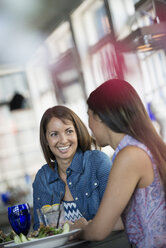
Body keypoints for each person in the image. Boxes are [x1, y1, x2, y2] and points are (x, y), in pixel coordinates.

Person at [72, 79, 166, 248]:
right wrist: (88, 225)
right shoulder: (139, 148)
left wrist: (77, 233)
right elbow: (133, 217)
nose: (89, 125)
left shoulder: (129, 156)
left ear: (100, 117)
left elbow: (98, 232)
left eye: (89, 115)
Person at [33, 105, 112, 230]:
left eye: (69, 131)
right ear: (46, 140)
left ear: (77, 133)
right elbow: (40, 230)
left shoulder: (98, 162)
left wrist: (80, 228)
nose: (63, 140)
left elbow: (116, 215)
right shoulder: (43, 178)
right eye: (54, 134)